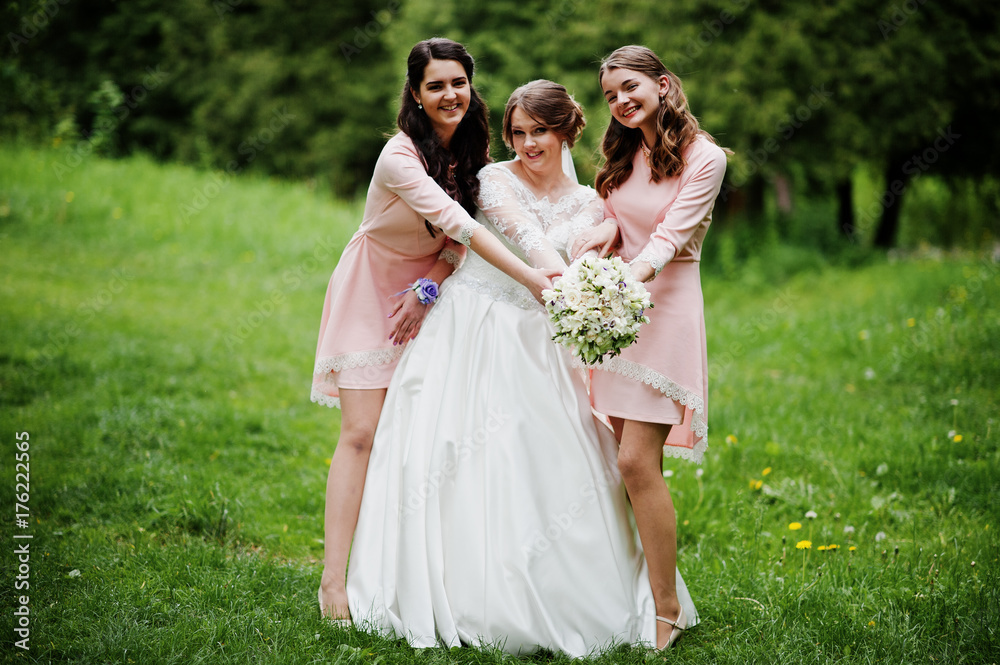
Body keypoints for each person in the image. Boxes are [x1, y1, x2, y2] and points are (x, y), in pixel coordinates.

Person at [346, 79, 697, 657]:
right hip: (474, 329)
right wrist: (557, 278)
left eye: (541, 132)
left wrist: (599, 242)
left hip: (542, 341)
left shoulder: (591, 203)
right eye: (518, 133)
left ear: (567, 131)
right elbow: (526, 237)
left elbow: (606, 236)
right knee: (456, 454)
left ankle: (573, 592)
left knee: (552, 456)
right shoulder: (492, 180)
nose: (528, 144)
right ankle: (461, 591)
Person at [312, 38, 555, 624]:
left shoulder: (472, 151)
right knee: (363, 433)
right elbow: (459, 224)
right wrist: (535, 280)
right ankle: (333, 581)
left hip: (434, 295)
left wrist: (428, 291)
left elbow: (451, 248)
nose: (450, 95)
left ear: (470, 88)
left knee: (420, 435)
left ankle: (413, 571)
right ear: (416, 96)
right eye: (435, 86)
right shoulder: (400, 157)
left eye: (458, 83)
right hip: (372, 291)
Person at [571, 45, 729, 649]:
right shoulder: (625, 152)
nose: (621, 101)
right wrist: (600, 242)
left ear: (663, 84)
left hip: (664, 311)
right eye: (611, 95)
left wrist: (616, 283)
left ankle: (666, 609)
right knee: (619, 463)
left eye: (630, 87)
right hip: (613, 314)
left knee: (637, 460)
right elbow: (608, 214)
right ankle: (627, 590)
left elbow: (667, 240)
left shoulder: (704, 158)